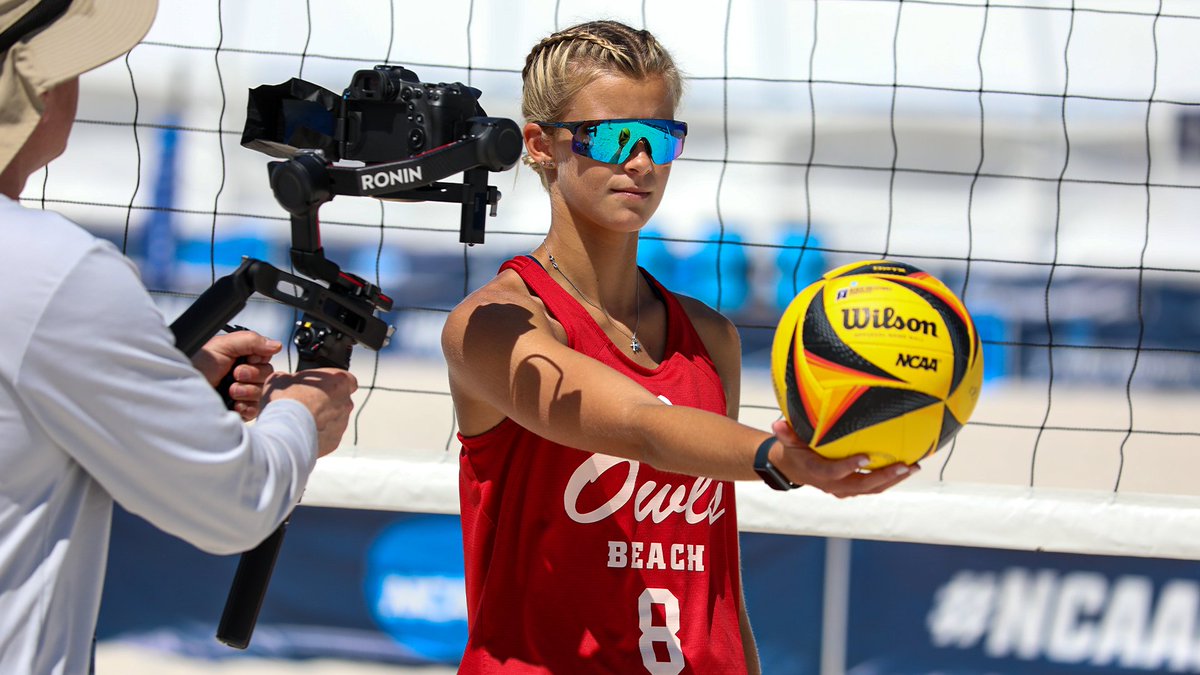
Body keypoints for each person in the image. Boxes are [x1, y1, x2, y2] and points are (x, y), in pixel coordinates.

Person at [441, 19, 918, 675]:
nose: (639, 160)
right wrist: (779, 458)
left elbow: (717, 587)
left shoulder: (709, 337)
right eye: (612, 135)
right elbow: (642, 425)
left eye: (660, 136)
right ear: (541, 144)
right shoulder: (493, 326)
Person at [0, 2, 358, 673]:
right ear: (39, 90)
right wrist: (301, 414)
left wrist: (162, 381)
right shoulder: (52, 269)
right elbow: (234, 506)